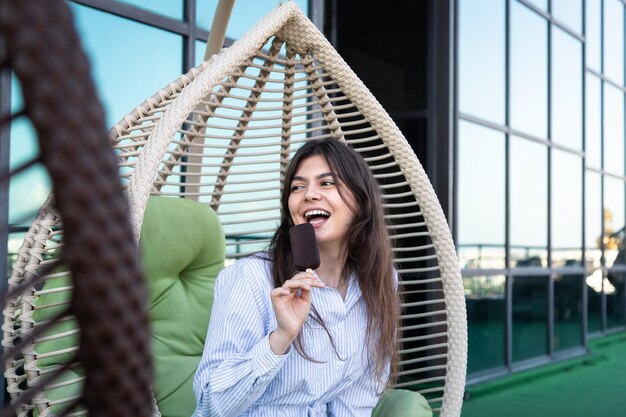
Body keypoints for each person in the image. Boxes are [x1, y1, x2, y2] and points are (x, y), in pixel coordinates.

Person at [192, 139, 431, 417]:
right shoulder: (250, 277)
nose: (309, 195)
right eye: (297, 187)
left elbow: (359, 393)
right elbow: (210, 404)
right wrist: (280, 338)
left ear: (361, 200)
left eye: (326, 183)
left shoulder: (380, 280)